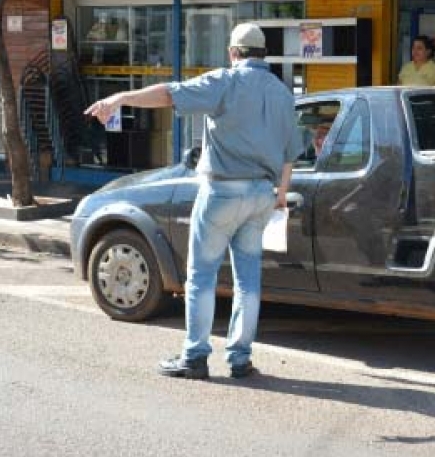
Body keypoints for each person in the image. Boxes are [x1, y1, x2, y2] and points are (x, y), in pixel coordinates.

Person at [84, 22, 304, 380]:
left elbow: (171, 94)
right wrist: (280, 193)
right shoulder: (281, 92)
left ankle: (195, 356)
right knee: (248, 280)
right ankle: (240, 359)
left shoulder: (226, 80)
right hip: (262, 195)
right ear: (264, 54)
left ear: (234, 53)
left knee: (201, 276)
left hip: (222, 192)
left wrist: (120, 98)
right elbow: (291, 152)